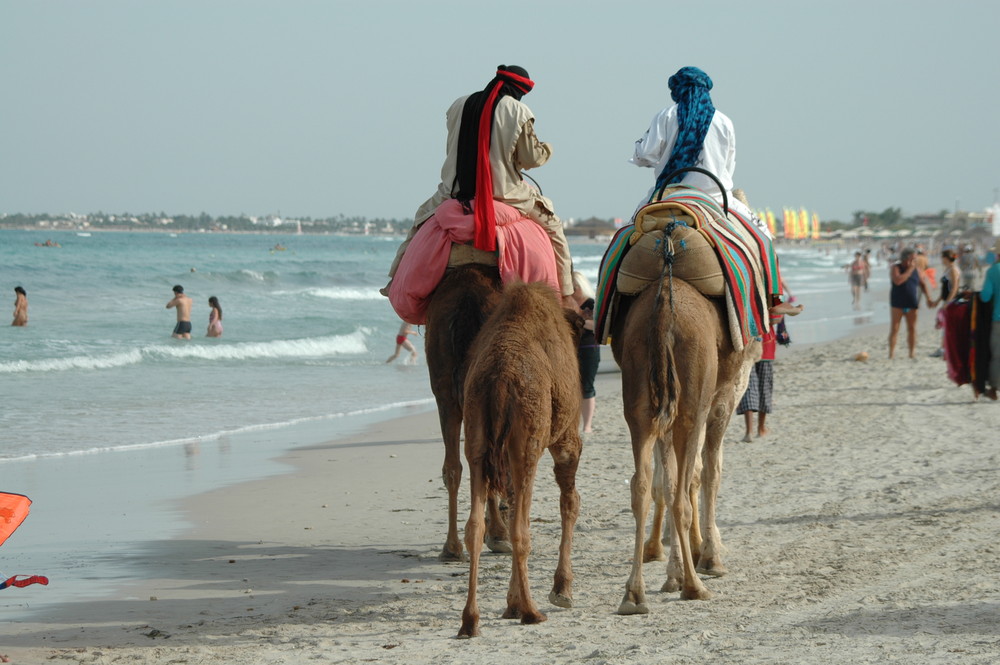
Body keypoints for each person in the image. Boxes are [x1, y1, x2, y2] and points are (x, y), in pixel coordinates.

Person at [383, 65, 576, 308]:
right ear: (519, 91)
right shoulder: (518, 110)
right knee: (554, 227)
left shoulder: (458, 104)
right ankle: (567, 295)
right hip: (506, 193)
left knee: (420, 221)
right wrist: (547, 148)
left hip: (453, 191)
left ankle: (393, 281)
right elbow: (530, 158)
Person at [630, 65, 802, 320]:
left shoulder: (665, 116)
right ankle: (773, 299)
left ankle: (605, 309)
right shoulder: (724, 121)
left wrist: (641, 150)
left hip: (668, 195)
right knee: (763, 237)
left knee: (624, 237)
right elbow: (728, 166)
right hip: (715, 197)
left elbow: (645, 155)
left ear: (676, 91)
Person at [888, 248, 932, 359]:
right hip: (897, 302)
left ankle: (911, 353)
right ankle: (891, 353)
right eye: (913, 259)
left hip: (911, 302)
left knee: (912, 328)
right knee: (895, 328)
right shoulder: (896, 268)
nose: (914, 261)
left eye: (915, 259)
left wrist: (928, 298)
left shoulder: (917, 270)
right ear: (906, 259)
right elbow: (898, 281)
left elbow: (923, 284)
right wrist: (910, 270)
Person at [572, 271, 599, 433]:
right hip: (572, 348)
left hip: (589, 348)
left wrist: (580, 320)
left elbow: (597, 326)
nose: (573, 291)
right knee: (574, 387)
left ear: (581, 286)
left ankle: (587, 425)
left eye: (575, 287)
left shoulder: (592, 303)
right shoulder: (567, 303)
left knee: (587, 387)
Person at [928, 248, 961, 357]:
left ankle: (945, 349)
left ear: (946, 258)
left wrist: (948, 302)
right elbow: (944, 288)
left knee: (949, 326)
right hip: (947, 300)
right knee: (946, 325)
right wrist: (937, 301)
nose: (941, 259)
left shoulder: (953, 270)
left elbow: (954, 287)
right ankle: (944, 348)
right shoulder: (947, 269)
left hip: (952, 301)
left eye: (942, 257)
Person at [978, 238, 1000, 400]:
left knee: (997, 356)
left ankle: (993, 389)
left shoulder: (993, 271)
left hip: (998, 318)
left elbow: (985, 296)